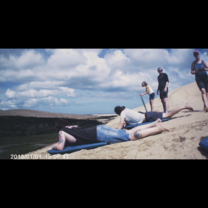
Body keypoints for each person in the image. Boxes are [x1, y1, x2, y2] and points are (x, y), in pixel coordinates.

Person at [50, 118, 171, 151]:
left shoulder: (62, 131)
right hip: (99, 129)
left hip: (99, 135)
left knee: (129, 137)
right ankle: (154, 124)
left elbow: (60, 146)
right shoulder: (73, 127)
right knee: (128, 132)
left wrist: (54, 146)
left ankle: (157, 129)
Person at [114, 103, 194, 129]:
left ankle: (185, 106)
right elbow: (131, 120)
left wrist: (117, 130)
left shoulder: (122, 113)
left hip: (149, 116)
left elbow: (121, 124)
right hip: (148, 115)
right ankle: (159, 112)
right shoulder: (126, 110)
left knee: (169, 115)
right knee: (168, 116)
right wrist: (126, 124)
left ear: (118, 112)